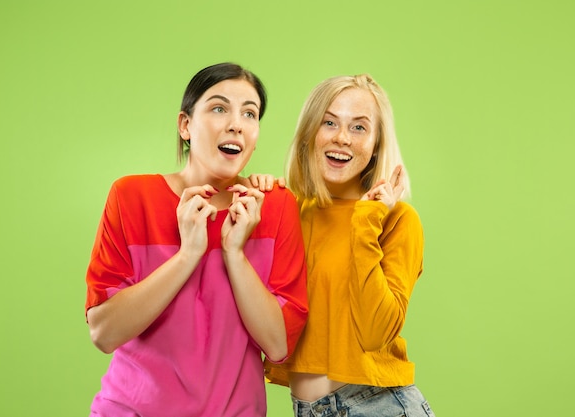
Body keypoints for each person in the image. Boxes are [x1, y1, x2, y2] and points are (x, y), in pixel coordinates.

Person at [85, 62, 308, 417]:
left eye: (250, 114)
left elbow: (278, 344)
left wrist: (235, 253)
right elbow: (105, 332)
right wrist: (188, 253)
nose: (236, 123)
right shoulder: (131, 197)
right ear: (185, 125)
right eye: (219, 108)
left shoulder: (276, 206)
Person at [258, 74, 435, 416]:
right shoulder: (293, 213)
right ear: (310, 133)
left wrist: (367, 220)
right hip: (308, 409)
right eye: (329, 122)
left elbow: (374, 334)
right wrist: (259, 195)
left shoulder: (396, 220)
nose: (342, 138)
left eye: (359, 128)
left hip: (378, 405)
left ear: (376, 145)